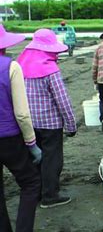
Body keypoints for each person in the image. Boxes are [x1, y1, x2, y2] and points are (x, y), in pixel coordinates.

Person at [17, 29, 77, 209]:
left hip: (28, 123)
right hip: (50, 124)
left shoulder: (19, 65)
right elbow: (62, 100)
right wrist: (71, 124)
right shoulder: (50, 69)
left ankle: (35, 193)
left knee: (34, 159)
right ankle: (50, 196)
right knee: (52, 159)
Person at [0, 24, 44, 232]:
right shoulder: (11, 66)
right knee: (30, 182)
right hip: (8, 137)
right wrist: (31, 143)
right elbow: (22, 113)